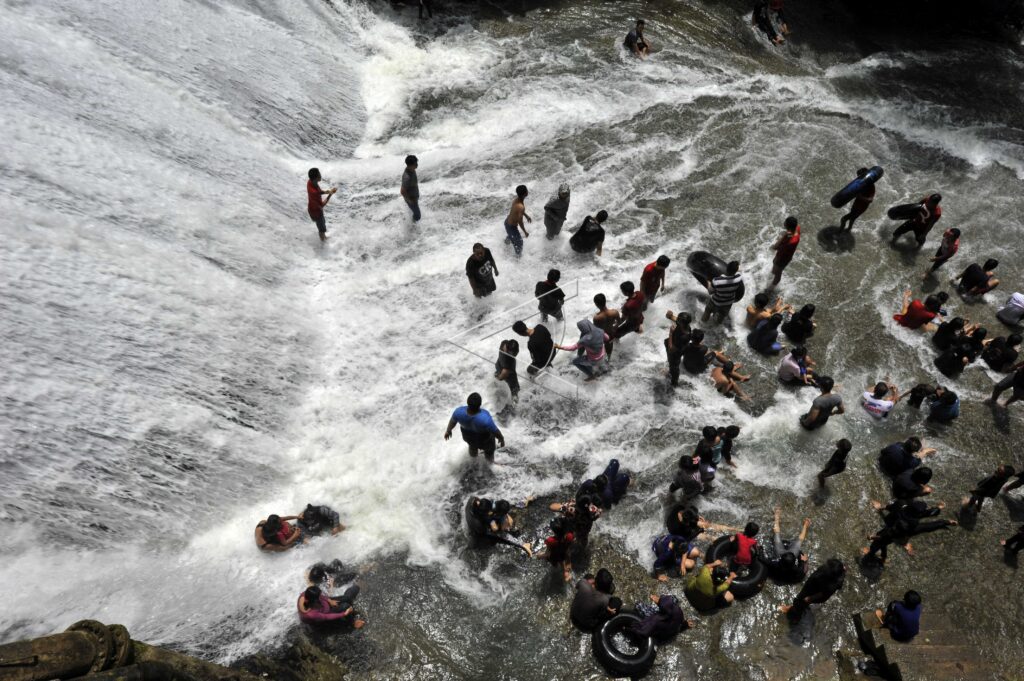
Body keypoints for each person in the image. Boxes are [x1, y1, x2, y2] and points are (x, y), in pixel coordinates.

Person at [444, 392, 505, 462]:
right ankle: (490, 464)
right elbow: (495, 431)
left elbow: (453, 421)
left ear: (468, 402)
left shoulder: (459, 412)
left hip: (468, 437)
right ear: (480, 405)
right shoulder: (485, 418)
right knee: (489, 452)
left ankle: (473, 461)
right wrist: (501, 438)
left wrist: (448, 431)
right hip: (484, 440)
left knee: (472, 446)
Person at [780, 558, 844, 623]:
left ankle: (794, 616)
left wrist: (810, 598)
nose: (825, 564)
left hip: (813, 591)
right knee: (804, 602)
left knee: (800, 601)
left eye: (827, 565)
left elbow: (823, 593)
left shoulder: (826, 583)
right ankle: (799, 609)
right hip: (819, 590)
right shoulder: (839, 575)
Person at [766, 509, 811, 581]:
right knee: (799, 541)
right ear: (794, 562)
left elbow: (764, 560)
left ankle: (776, 517)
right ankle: (805, 525)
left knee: (776, 535)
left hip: (779, 554)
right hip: (790, 554)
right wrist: (804, 561)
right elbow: (803, 571)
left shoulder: (774, 565)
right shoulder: (796, 570)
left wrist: (760, 550)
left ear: (780, 560)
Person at [297, 585, 365, 628]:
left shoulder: (306, 594)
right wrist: (344, 614)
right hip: (325, 615)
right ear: (314, 601)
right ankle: (352, 623)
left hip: (327, 605)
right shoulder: (311, 614)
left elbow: (320, 596)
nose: (321, 595)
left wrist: (329, 600)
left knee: (348, 597)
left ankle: (356, 587)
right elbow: (327, 617)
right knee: (345, 606)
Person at [535, 516, 575, 582]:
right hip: (563, 554)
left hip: (554, 556)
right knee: (563, 564)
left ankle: (562, 574)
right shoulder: (569, 536)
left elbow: (547, 553)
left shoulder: (550, 541)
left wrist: (539, 556)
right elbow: (568, 550)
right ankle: (567, 576)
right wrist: (568, 560)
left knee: (542, 557)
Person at [306, 168, 337, 242]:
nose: (321, 176)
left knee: (321, 227)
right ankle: (323, 243)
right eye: (319, 175)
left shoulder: (310, 182)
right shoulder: (314, 192)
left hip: (312, 209)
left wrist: (328, 192)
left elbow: (319, 191)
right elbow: (322, 205)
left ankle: (323, 238)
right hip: (316, 212)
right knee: (322, 229)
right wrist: (330, 194)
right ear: (315, 178)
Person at [769, 217, 801, 289]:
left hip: (782, 258)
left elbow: (778, 248)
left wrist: (775, 246)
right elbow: (789, 234)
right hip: (787, 256)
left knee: (778, 273)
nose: (784, 224)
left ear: (788, 226)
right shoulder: (797, 229)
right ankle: (773, 273)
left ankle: (771, 288)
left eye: (785, 223)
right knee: (775, 268)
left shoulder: (790, 242)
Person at [664, 310, 691, 386]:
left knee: (674, 367)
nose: (677, 320)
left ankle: (674, 383)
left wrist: (671, 333)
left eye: (678, 319)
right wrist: (669, 315)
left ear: (682, 323)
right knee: (671, 363)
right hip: (673, 347)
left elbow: (671, 349)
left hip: (675, 352)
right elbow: (673, 318)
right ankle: (670, 371)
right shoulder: (683, 324)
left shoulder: (684, 336)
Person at [503, 185, 531, 256]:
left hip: (507, 222)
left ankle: (506, 242)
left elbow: (518, 211)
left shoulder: (517, 200)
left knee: (511, 235)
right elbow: (520, 221)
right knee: (520, 243)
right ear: (526, 193)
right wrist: (525, 232)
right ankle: (518, 258)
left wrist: (526, 216)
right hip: (511, 227)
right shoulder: (521, 207)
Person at [593, 294, 620, 360]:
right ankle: (608, 360)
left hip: (602, 336)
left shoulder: (597, 317)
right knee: (609, 350)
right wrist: (615, 327)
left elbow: (595, 329)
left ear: (596, 304)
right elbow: (619, 321)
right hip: (610, 334)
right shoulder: (615, 312)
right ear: (605, 301)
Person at [400, 155, 420, 222]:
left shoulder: (412, 169)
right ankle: (413, 228)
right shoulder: (407, 177)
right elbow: (402, 191)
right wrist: (410, 200)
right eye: (415, 164)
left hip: (414, 197)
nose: (417, 165)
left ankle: (412, 222)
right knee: (418, 215)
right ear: (410, 165)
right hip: (411, 199)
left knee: (414, 212)